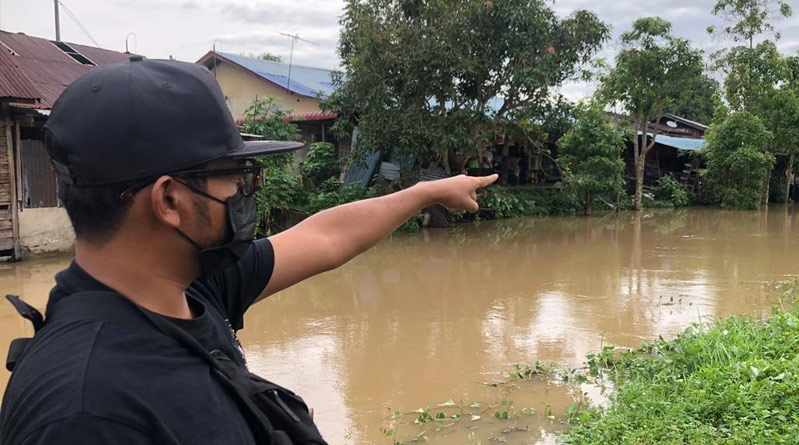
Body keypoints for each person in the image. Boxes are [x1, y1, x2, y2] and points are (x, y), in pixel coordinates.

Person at [0, 57, 496, 444]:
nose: (246, 195)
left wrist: (426, 192)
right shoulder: (85, 413)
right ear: (169, 200)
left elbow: (325, 238)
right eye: (239, 180)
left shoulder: (187, 288)